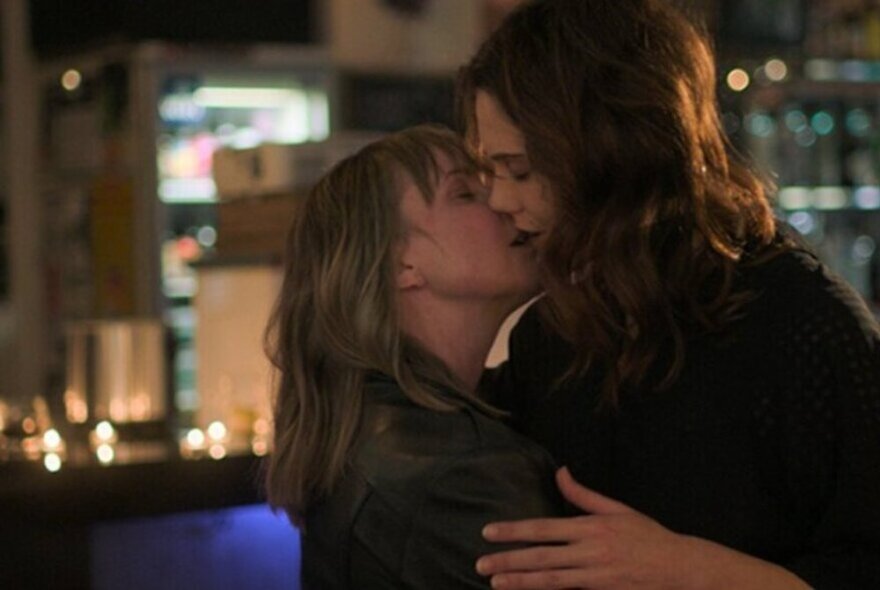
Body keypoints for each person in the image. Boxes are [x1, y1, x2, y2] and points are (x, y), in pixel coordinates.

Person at [457, 0, 880, 588]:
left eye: (521, 169)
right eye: (489, 171)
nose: (500, 199)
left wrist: (688, 569)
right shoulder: (552, 336)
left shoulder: (802, 327)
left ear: (612, 151)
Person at [263, 125, 565, 588]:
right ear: (401, 264)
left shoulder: (364, 422)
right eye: (466, 192)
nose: (504, 201)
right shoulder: (459, 475)